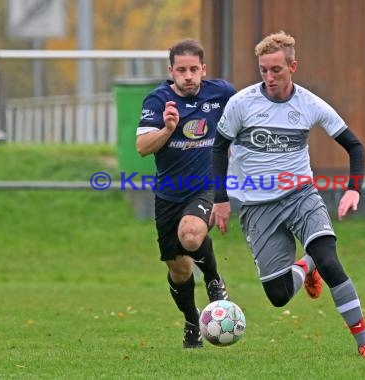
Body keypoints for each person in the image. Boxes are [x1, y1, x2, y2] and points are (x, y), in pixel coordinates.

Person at [210, 31, 365, 359]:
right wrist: (220, 199)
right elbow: (219, 148)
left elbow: (355, 146)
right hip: (256, 205)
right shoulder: (242, 104)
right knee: (278, 296)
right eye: (263, 70)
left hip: (300, 196)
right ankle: (307, 264)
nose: (269, 77)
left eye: (276, 69)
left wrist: (353, 190)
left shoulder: (309, 104)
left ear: (293, 66)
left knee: (331, 260)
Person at [136, 38, 236, 349]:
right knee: (179, 270)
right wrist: (167, 129)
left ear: (203, 69)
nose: (189, 75)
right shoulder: (157, 100)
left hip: (205, 187)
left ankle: (214, 282)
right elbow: (141, 148)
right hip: (169, 194)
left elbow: (246, 118)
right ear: (171, 71)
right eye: (182, 70)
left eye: (194, 69)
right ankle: (193, 320)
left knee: (191, 234)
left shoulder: (222, 93)